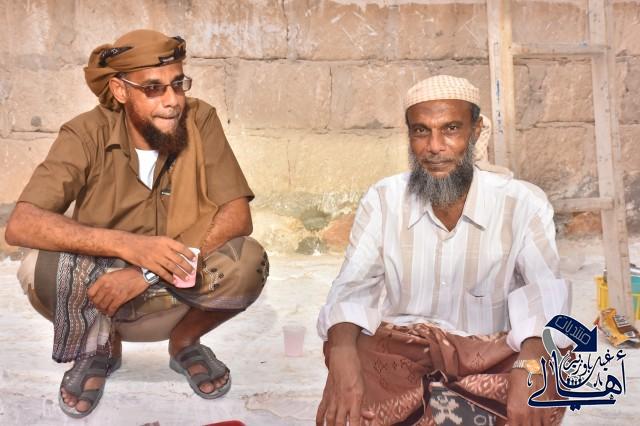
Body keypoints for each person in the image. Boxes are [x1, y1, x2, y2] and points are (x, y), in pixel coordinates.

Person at [5, 29, 268, 418]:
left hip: (180, 289)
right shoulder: (85, 133)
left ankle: (185, 342)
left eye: (178, 84)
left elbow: (236, 214)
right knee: (37, 267)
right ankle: (100, 348)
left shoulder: (201, 120)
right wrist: (128, 246)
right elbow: (21, 224)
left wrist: (146, 270)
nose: (172, 100)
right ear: (120, 90)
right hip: (103, 295)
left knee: (248, 262)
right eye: (153, 89)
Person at [316, 75, 571, 426]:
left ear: (475, 132)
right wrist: (342, 354)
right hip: (403, 358)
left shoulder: (522, 203)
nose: (435, 147)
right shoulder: (384, 199)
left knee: (550, 360)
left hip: (488, 359)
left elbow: (544, 298)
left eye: (451, 129)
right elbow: (352, 288)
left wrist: (529, 366)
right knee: (347, 342)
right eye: (421, 131)